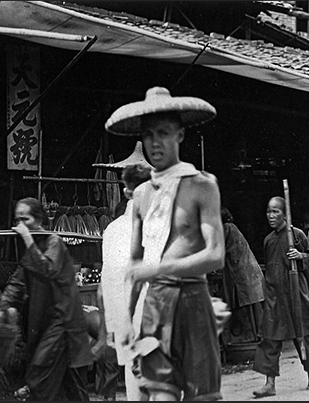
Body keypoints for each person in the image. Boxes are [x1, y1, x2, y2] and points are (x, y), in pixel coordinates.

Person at [107, 86, 226, 401]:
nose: (154, 143)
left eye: (163, 133)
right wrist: (126, 322)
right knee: (159, 395)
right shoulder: (142, 196)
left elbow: (215, 255)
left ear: (180, 135)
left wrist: (160, 267)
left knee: (203, 396)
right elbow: (135, 267)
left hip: (193, 299)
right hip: (156, 304)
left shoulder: (202, 186)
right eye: (148, 135)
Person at [0, 197, 92, 401]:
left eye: (25, 219)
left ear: (38, 220)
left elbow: (46, 269)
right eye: (17, 220)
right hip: (48, 326)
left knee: (61, 382)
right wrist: (2, 306)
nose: (20, 225)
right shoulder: (32, 247)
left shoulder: (54, 243)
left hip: (65, 324)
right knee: (55, 386)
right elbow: (19, 282)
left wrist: (28, 240)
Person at [252, 197, 309, 398]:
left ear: (284, 214)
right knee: (269, 338)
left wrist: (300, 256)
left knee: (303, 334)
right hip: (274, 295)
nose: (271, 216)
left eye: (275, 212)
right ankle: (269, 383)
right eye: (268, 211)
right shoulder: (268, 240)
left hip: (295, 292)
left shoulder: (296, 235)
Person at [97, 163, 152, 401]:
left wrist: (112, 326)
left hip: (128, 323)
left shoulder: (112, 230)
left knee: (135, 385)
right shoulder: (159, 227)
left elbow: (106, 285)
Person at [220, 206, 265, 342]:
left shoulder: (227, 228)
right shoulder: (231, 228)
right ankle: (257, 339)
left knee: (251, 307)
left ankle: (255, 340)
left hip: (244, 272)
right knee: (252, 306)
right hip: (246, 272)